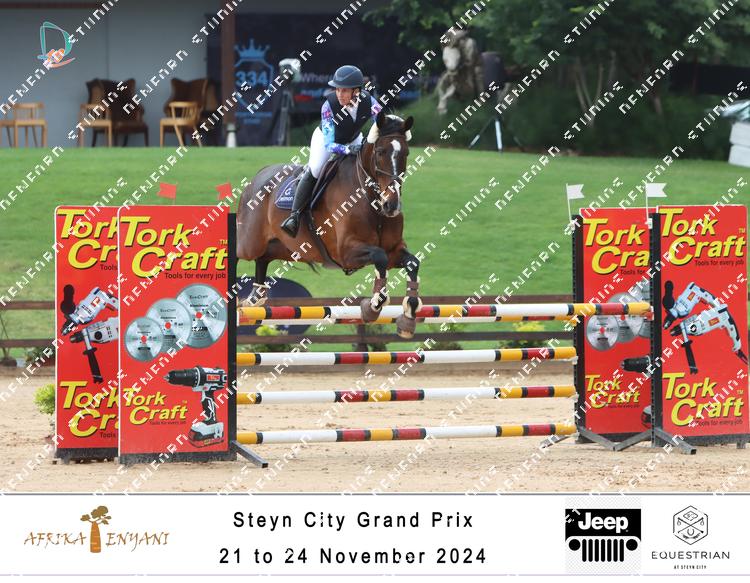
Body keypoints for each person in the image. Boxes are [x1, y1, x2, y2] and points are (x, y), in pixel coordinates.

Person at [280, 65, 383, 237]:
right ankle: (294, 216)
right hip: (326, 140)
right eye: (337, 89)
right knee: (315, 169)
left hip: (353, 138)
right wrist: (348, 150)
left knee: (369, 164)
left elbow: (381, 122)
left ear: (357, 91)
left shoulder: (370, 102)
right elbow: (330, 145)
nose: (339, 94)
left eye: (344, 90)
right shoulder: (329, 106)